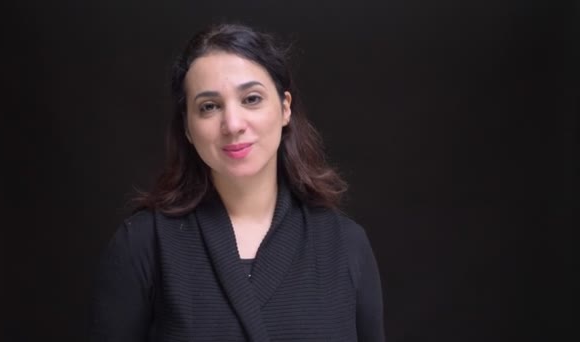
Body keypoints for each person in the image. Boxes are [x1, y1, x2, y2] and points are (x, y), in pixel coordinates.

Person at [89, 23, 385, 342]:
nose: (232, 124)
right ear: (187, 128)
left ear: (285, 108)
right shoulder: (144, 244)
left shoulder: (345, 244)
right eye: (209, 107)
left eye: (251, 99)